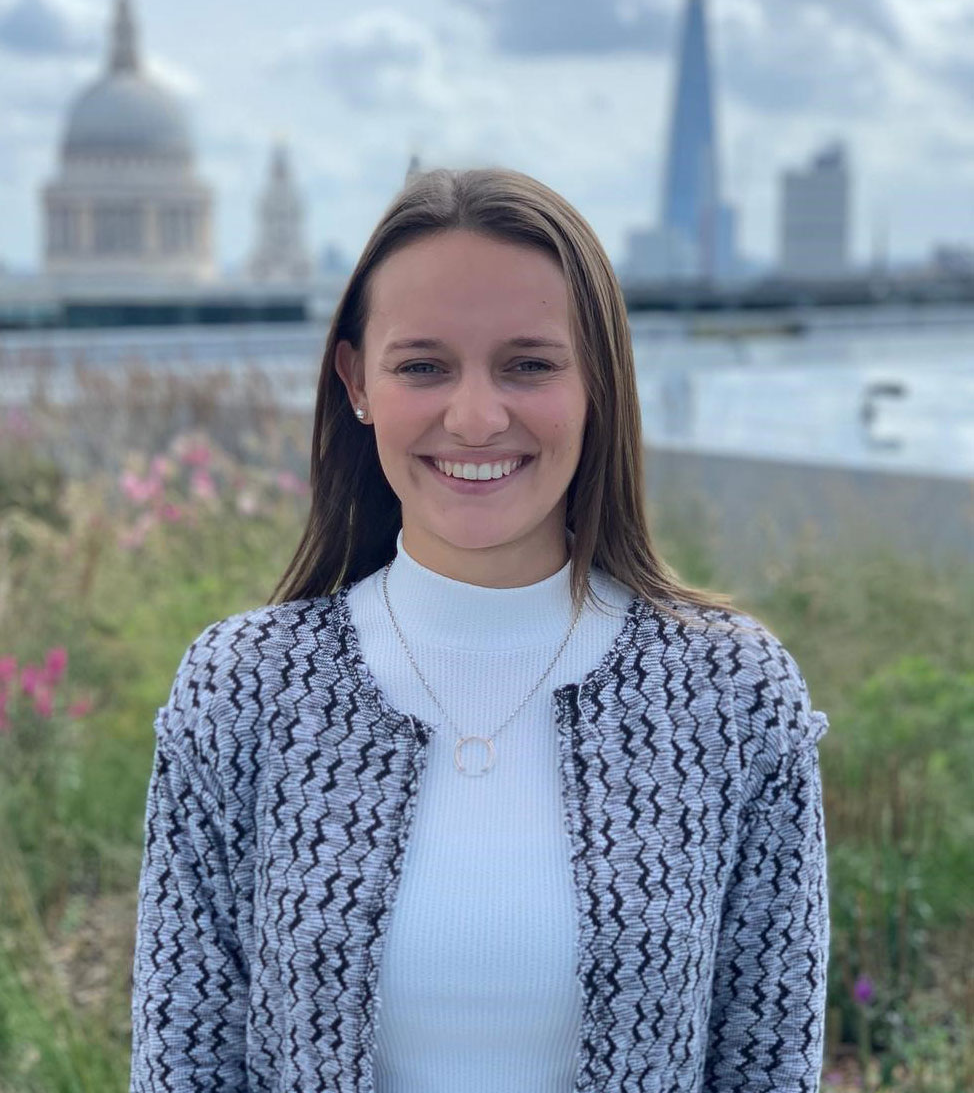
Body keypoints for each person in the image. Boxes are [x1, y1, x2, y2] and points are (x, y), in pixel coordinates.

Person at [129, 167, 831, 1092]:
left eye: (528, 364)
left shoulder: (733, 695)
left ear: (599, 384)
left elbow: (767, 1065)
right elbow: (182, 1065)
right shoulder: (240, 689)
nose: (474, 416)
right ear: (356, 382)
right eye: (423, 365)